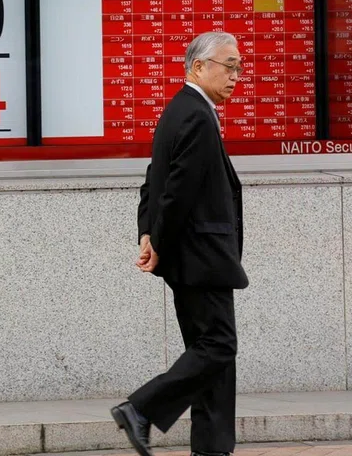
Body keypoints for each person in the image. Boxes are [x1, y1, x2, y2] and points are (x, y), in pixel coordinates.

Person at [110, 31, 249, 456]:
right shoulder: (197, 116)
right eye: (229, 66)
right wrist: (159, 244)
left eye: (239, 67)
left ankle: (211, 448)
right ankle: (141, 408)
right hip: (201, 256)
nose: (235, 76)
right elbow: (177, 193)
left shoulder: (180, 109)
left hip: (192, 255)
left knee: (209, 353)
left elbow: (154, 180)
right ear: (199, 67)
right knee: (219, 344)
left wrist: (147, 234)